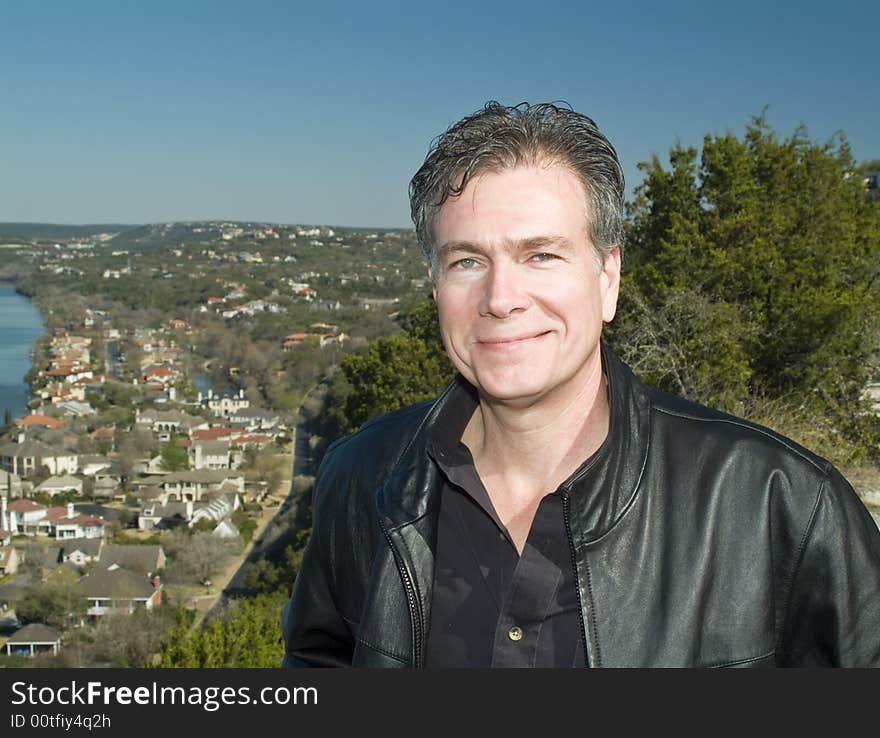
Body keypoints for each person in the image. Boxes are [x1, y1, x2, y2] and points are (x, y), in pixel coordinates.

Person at [281, 101, 880, 667]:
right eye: (467, 260)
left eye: (541, 255)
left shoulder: (783, 506)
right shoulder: (363, 479)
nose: (500, 298)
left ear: (608, 278)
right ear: (435, 285)